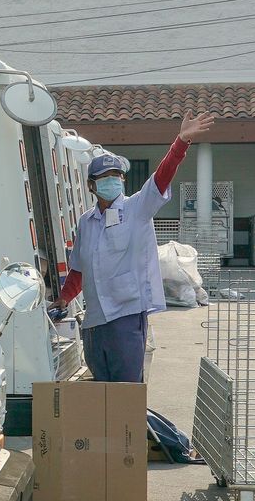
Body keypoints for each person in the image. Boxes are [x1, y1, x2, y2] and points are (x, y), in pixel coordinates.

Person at [53, 111, 217, 382]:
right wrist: (64, 298)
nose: (112, 180)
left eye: (116, 175)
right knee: (101, 388)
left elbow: (161, 179)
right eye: (105, 177)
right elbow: (80, 269)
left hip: (125, 316)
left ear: (123, 181)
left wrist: (181, 143)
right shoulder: (86, 221)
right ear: (92, 185)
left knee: (127, 390)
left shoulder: (136, 208)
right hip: (94, 321)